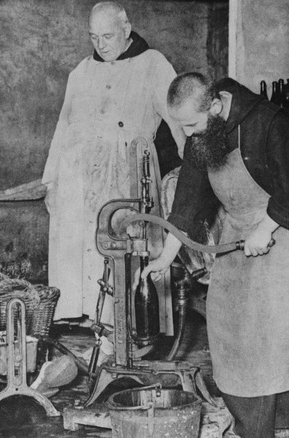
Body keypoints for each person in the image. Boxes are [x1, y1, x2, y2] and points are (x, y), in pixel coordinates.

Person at [140, 72, 289, 438]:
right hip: (239, 233)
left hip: (286, 229)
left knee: (280, 333)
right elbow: (188, 201)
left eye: (193, 124)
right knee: (228, 322)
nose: (189, 133)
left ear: (215, 106)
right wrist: (165, 257)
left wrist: (265, 228)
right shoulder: (203, 135)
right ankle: (253, 427)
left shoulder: (268, 122)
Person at [42, 1, 185, 326]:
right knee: (80, 242)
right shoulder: (81, 70)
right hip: (77, 175)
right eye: (94, 37)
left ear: (126, 27)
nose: (101, 45)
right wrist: (52, 180)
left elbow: (180, 118)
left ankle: (125, 324)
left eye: (107, 36)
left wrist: (193, 162)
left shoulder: (153, 64)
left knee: (120, 241)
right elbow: (63, 126)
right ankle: (83, 319)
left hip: (125, 173)